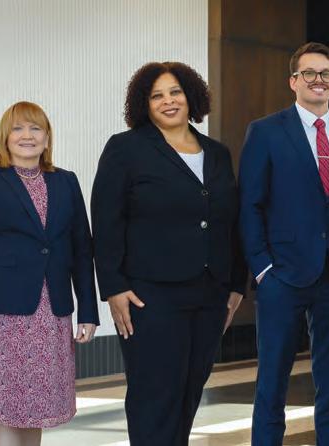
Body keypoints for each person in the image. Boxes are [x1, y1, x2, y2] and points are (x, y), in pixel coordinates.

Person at [91, 61, 246, 445]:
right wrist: (113, 286)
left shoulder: (217, 153)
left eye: (175, 92)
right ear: (143, 104)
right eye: (156, 95)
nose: (168, 101)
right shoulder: (125, 148)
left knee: (190, 390)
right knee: (155, 394)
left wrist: (236, 284)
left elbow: (231, 222)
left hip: (210, 293)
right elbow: (106, 221)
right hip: (149, 295)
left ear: (190, 96)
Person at [238, 42, 329, 446]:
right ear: (293, 81)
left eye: (325, 73)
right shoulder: (265, 132)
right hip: (282, 276)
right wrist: (262, 268)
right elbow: (250, 204)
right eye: (308, 73)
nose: (317, 80)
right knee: (271, 383)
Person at [0, 101, 99, 446]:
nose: (27, 136)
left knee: (35, 404)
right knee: (8, 404)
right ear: (5, 138)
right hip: (3, 317)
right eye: (18, 128)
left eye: (36, 128)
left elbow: (82, 250)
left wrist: (88, 311)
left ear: (47, 138)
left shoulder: (66, 181)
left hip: (51, 314)